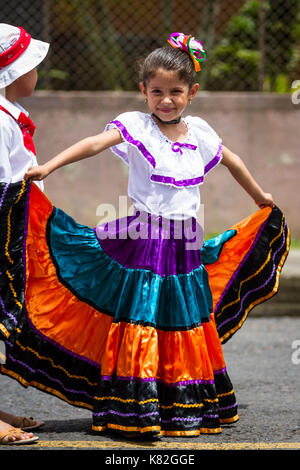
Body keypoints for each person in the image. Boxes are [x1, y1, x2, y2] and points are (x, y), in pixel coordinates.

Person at [0, 32, 289, 440]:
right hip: (145, 241)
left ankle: (179, 404)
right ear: (143, 91)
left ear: (193, 92)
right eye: (156, 91)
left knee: (183, 321)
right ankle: (138, 407)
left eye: (175, 91)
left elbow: (233, 160)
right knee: (143, 319)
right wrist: (48, 167)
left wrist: (261, 198)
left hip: (186, 243)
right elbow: (94, 143)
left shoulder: (200, 133)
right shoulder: (137, 125)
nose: (166, 100)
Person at [0, 23, 49, 445]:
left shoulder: (8, 118)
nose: (38, 72)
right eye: (33, 64)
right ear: (14, 72)